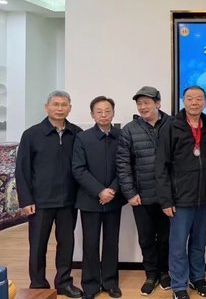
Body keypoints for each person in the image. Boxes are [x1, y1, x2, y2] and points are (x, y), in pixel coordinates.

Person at [15, 90, 83, 297]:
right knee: (38, 246)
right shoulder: (31, 134)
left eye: (64, 105)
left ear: (70, 108)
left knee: (66, 244)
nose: (60, 108)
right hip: (40, 202)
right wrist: (26, 200)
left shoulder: (77, 133)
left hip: (68, 201)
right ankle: (38, 284)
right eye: (55, 104)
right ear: (46, 107)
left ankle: (64, 283)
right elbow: (22, 170)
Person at [156, 86, 206, 299]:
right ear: (183, 101)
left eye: (199, 99)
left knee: (199, 242)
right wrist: (166, 200)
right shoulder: (171, 126)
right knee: (178, 244)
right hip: (179, 199)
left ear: (205, 102)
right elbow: (161, 166)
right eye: (190, 98)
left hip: (203, 198)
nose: (194, 102)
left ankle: (197, 278)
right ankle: (179, 285)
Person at [116, 86, 172, 295]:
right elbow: (123, 164)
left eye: (147, 102)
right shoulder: (130, 129)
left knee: (166, 238)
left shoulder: (173, 124)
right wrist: (130, 192)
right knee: (146, 238)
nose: (143, 107)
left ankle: (165, 272)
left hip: (168, 196)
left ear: (158, 103)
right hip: (141, 196)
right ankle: (151, 274)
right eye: (139, 104)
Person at [72, 96, 126, 299]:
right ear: (92, 115)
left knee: (112, 242)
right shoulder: (82, 138)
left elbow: (125, 166)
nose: (104, 115)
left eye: (107, 111)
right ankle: (90, 284)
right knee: (90, 243)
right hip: (89, 200)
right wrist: (99, 191)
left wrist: (112, 190)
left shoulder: (122, 136)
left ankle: (111, 282)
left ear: (113, 112)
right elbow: (78, 169)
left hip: (114, 199)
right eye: (99, 111)